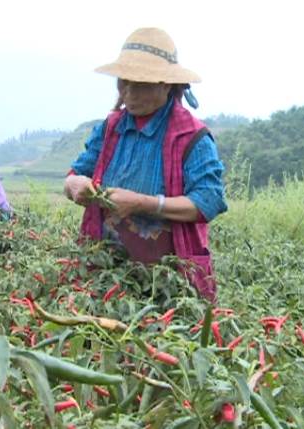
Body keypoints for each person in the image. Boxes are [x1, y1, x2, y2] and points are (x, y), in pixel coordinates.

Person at [64, 28, 227, 302]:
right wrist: (74, 185)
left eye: (138, 84)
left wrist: (143, 203)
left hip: (168, 279)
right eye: (123, 83)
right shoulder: (111, 128)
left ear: (165, 85)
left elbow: (208, 201)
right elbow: (76, 173)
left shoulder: (191, 137)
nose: (128, 92)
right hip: (105, 269)